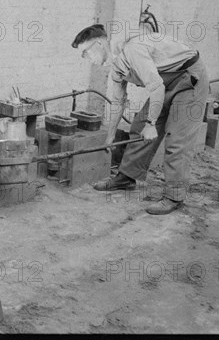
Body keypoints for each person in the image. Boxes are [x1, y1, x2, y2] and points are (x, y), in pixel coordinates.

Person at [72, 24, 209, 215]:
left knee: (177, 139)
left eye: (85, 52)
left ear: (99, 45)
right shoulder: (116, 69)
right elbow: (118, 103)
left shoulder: (133, 50)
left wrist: (152, 124)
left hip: (189, 79)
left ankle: (174, 197)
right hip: (165, 82)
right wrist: (110, 136)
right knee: (138, 126)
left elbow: (156, 88)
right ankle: (126, 178)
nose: (86, 58)